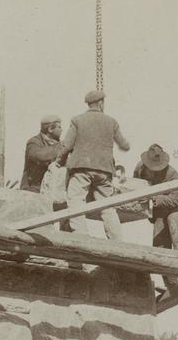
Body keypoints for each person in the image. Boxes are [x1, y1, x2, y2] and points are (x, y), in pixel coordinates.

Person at [56, 89, 130, 239]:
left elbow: (67, 146)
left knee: (76, 201)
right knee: (107, 206)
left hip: (81, 168)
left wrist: (59, 161)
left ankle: (82, 237)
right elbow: (124, 145)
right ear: (101, 103)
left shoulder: (77, 120)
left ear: (88, 104)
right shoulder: (111, 121)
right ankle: (117, 241)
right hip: (105, 170)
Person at [131, 144, 178, 252]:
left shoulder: (171, 174)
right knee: (159, 231)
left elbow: (174, 200)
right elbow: (136, 185)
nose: (153, 171)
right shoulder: (140, 169)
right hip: (160, 206)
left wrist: (152, 198)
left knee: (173, 220)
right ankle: (161, 261)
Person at [19, 118, 63, 191]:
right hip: (32, 188)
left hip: (49, 188)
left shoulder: (58, 144)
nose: (62, 130)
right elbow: (40, 156)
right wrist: (61, 148)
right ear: (50, 129)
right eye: (59, 127)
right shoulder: (33, 142)